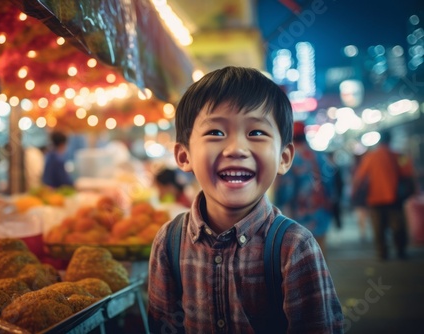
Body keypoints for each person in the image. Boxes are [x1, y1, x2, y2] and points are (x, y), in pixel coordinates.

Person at [148, 67, 344, 333]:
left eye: (256, 133)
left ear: (284, 158)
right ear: (184, 156)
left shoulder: (295, 246)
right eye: (215, 133)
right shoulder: (168, 241)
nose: (237, 149)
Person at [273, 122, 336, 256]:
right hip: (321, 212)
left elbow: (285, 191)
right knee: (320, 252)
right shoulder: (320, 157)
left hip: (299, 215)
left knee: (301, 256)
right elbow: (330, 184)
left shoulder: (289, 159)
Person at [352, 131, 413, 260]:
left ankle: (382, 253)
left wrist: (355, 192)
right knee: (398, 227)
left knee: (378, 229)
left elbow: (359, 177)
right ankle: (401, 251)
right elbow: (408, 173)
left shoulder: (370, 156)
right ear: (390, 140)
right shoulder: (398, 155)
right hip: (394, 198)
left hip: (374, 199)